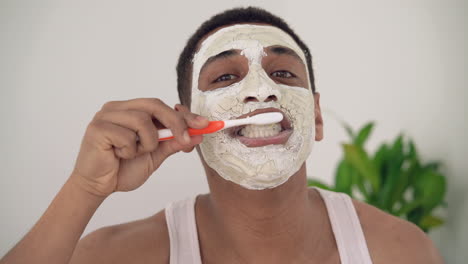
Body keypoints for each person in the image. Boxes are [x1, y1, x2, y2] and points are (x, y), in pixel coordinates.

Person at [0, 7, 443, 264]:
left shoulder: (399, 250)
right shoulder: (120, 256)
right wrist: (85, 189)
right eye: (226, 77)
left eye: (283, 72)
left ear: (317, 114)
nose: (261, 91)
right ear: (185, 122)